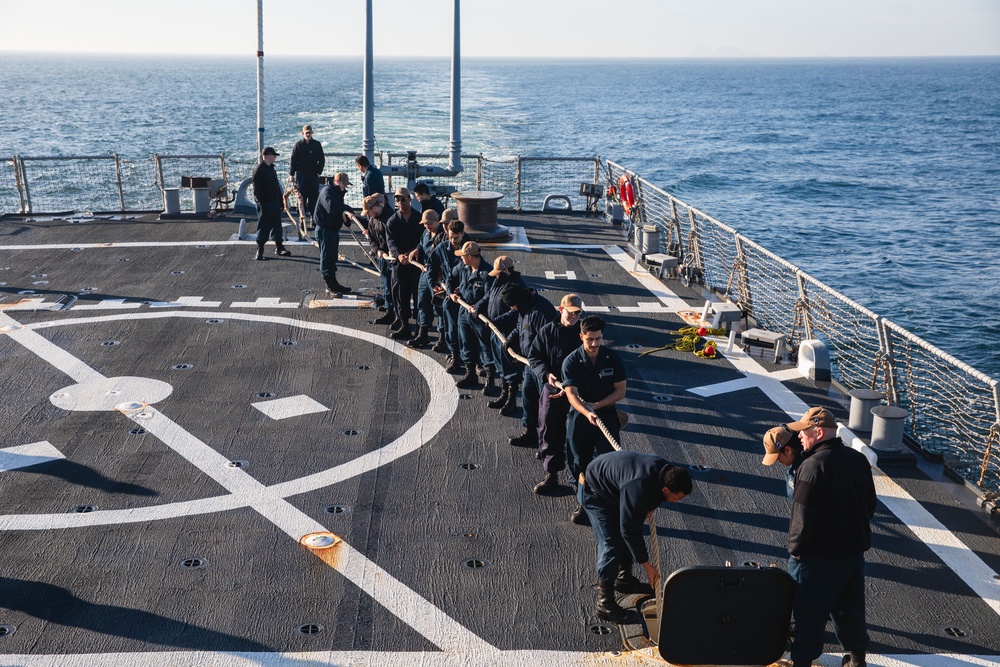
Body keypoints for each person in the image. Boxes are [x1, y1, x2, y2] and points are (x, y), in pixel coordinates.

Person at [784, 407, 877, 667]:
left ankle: (801, 662)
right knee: (850, 609)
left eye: (803, 431)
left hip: (817, 559)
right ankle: (857, 660)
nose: (800, 437)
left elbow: (801, 516)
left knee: (808, 615)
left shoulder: (812, 466)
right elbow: (870, 504)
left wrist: (796, 549)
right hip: (851, 555)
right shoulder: (858, 460)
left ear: (819, 432)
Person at [580, 450, 692, 623]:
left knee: (628, 528)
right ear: (665, 488)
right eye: (675, 498)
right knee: (612, 544)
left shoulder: (664, 471)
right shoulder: (638, 487)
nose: (676, 502)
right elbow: (629, 530)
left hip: (615, 488)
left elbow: (651, 497)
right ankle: (605, 604)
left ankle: (624, 579)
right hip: (595, 493)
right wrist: (647, 565)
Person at [562, 314, 626, 525]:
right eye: (590, 339)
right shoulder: (571, 361)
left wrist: (597, 407)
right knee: (579, 462)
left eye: (598, 339)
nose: (595, 343)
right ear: (581, 336)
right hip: (580, 417)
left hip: (605, 415)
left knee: (608, 462)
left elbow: (620, 391)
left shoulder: (612, 358)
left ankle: (606, 502)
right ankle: (583, 502)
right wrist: (587, 411)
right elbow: (571, 394)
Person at [527, 294, 584, 494]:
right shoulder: (547, 331)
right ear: (561, 310)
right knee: (548, 431)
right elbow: (534, 356)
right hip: (552, 391)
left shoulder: (584, 334)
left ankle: (578, 484)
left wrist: (572, 387)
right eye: (572, 312)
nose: (575, 317)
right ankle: (551, 474)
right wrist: (546, 374)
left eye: (578, 313)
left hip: (577, 394)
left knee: (576, 439)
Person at [477, 256, 527, 406]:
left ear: (506, 270)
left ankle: (511, 400)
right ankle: (504, 395)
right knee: (500, 365)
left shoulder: (517, 286)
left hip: (508, 333)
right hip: (496, 331)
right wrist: (478, 305)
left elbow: (516, 312)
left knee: (510, 368)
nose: (496, 275)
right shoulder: (498, 281)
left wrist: (495, 322)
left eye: (499, 272)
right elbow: (488, 296)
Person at [447, 241, 494, 389]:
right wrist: (450, 293)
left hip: (480, 316)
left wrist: (478, 306)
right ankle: (470, 374)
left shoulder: (487, 273)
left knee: (484, 347)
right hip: (464, 313)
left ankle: (490, 380)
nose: (461, 258)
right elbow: (449, 277)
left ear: (469, 256)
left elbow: (489, 295)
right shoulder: (463, 267)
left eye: (463, 255)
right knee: (466, 345)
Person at [429, 219, 470, 365]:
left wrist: (464, 288)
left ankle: (472, 362)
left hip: (467, 297)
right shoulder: (442, 248)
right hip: (450, 295)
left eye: (457, 238)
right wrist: (433, 285)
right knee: (451, 329)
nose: (453, 241)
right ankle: (455, 356)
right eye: (451, 237)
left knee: (467, 330)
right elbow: (431, 266)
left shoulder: (470, 248)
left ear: (463, 234)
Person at [385, 187, 423, 340]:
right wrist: (399, 255)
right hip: (400, 264)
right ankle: (404, 325)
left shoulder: (419, 219)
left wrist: (414, 252)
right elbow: (391, 242)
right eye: (398, 200)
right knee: (400, 295)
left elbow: (422, 240)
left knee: (419, 295)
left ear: (410, 199)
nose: (400, 202)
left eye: (403, 199)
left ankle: (420, 329)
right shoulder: (392, 220)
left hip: (416, 263)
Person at [314, 172, 359, 295]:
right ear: (337, 181)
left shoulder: (337, 193)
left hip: (332, 229)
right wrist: (347, 209)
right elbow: (332, 208)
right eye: (344, 184)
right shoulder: (327, 191)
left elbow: (338, 209)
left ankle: (334, 283)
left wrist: (346, 217)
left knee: (332, 257)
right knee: (326, 257)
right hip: (325, 229)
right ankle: (329, 286)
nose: (345, 187)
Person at [408, 209, 445, 348]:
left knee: (440, 306)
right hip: (425, 273)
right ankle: (423, 334)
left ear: (437, 221)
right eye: (425, 224)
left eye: (429, 223)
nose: (427, 226)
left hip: (438, 275)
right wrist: (417, 249)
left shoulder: (443, 235)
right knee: (422, 303)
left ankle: (442, 337)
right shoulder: (426, 233)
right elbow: (421, 244)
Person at [358, 193, 395, 324]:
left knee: (392, 286)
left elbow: (395, 239)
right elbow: (372, 239)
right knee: (386, 284)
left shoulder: (390, 218)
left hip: (391, 258)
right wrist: (377, 250)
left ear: (373, 209)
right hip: (382, 256)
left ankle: (392, 312)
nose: (368, 215)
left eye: (368, 212)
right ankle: (389, 305)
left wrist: (391, 253)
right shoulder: (373, 220)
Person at [250, 146, 290, 260]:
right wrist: (262, 204)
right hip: (265, 204)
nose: (275, 158)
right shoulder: (259, 170)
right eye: (273, 156)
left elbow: (276, 186)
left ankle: (279, 247)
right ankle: (260, 249)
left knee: (277, 226)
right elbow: (257, 190)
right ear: (268, 156)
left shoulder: (271, 169)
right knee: (264, 227)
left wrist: (281, 201)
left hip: (274, 202)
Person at [289, 125, 325, 227]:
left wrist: (319, 172)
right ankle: (302, 220)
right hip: (301, 176)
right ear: (303, 133)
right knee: (301, 198)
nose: (308, 134)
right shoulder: (298, 145)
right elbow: (293, 160)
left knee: (314, 198)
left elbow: (321, 159)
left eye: (310, 133)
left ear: (312, 133)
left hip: (313, 175)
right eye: (306, 133)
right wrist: (291, 174)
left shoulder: (317, 145)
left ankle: (313, 219)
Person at [761, 424, 804, 502]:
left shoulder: (805, 471)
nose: (777, 461)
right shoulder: (794, 463)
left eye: (777, 457)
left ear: (787, 450)